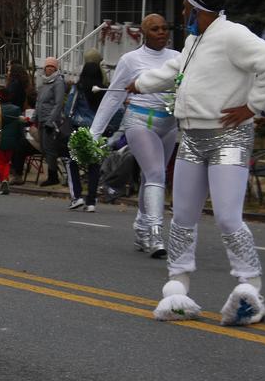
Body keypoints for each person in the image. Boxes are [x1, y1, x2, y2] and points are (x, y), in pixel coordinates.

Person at [129, 0, 265, 326]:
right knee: (183, 218)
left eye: (186, 7)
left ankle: (250, 289)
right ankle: (177, 291)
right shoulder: (194, 40)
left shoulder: (233, 35)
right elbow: (175, 72)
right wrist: (140, 83)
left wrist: (253, 106)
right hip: (192, 136)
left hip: (228, 138)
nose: (182, 12)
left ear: (197, 8)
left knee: (227, 218)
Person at [89, 13, 180, 256]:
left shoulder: (178, 58)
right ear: (143, 33)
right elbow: (114, 95)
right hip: (140, 121)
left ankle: (141, 227)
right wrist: (94, 133)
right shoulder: (131, 59)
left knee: (153, 178)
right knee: (156, 174)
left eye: (164, 28)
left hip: (169, 124)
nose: (161, 32)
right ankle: (154, 235)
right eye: (155, 29)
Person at [64, 60, 105, 213]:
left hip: (79, 128)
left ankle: (77, 196)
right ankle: (92, 201)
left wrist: (69, 119)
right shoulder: (102, 90)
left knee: (72, 161)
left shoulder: (78, 88)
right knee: (94, 164)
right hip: (97, 129)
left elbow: (69, 108)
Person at [34, 57, 66, 186]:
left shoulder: (58, 82)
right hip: (41, 120)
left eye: (52, 67)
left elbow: (58, 104)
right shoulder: (44, 82)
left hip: (50, 122)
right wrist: (34, 118)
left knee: (50, 149)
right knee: (43, 148)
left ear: (56, 68)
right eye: (47, 66)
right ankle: (52, 174)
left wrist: (50, 122)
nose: (49, 69)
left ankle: (53, 176)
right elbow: (39, 102)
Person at [0, 89, 26, 195]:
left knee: (0, 161)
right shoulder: (16, 109)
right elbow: (19, 126)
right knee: (7, 161)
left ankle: (3, 179)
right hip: (12, 140)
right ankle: (6, 178)